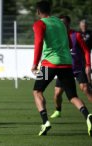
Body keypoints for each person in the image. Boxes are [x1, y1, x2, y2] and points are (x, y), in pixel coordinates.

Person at [31, 1, 92, 136]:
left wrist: (35, 64)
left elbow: (39, 42)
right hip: (66, 64)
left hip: (49, 65)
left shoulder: (39, 24)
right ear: (50, 10)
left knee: (37, 91)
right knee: (72, 96)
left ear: (38, 12)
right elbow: (70, 44)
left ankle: (45, 122)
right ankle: (87, 116)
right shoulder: (60, 23)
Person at [50, 15, 92, 119]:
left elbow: (86, 51)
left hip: (78, 68)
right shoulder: (57, 37)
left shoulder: (76, 35)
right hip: (64, 69)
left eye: (63, 22)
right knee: (57, 94)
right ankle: (58, 110)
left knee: (85, 89)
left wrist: (88, 65)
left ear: (68, 23)